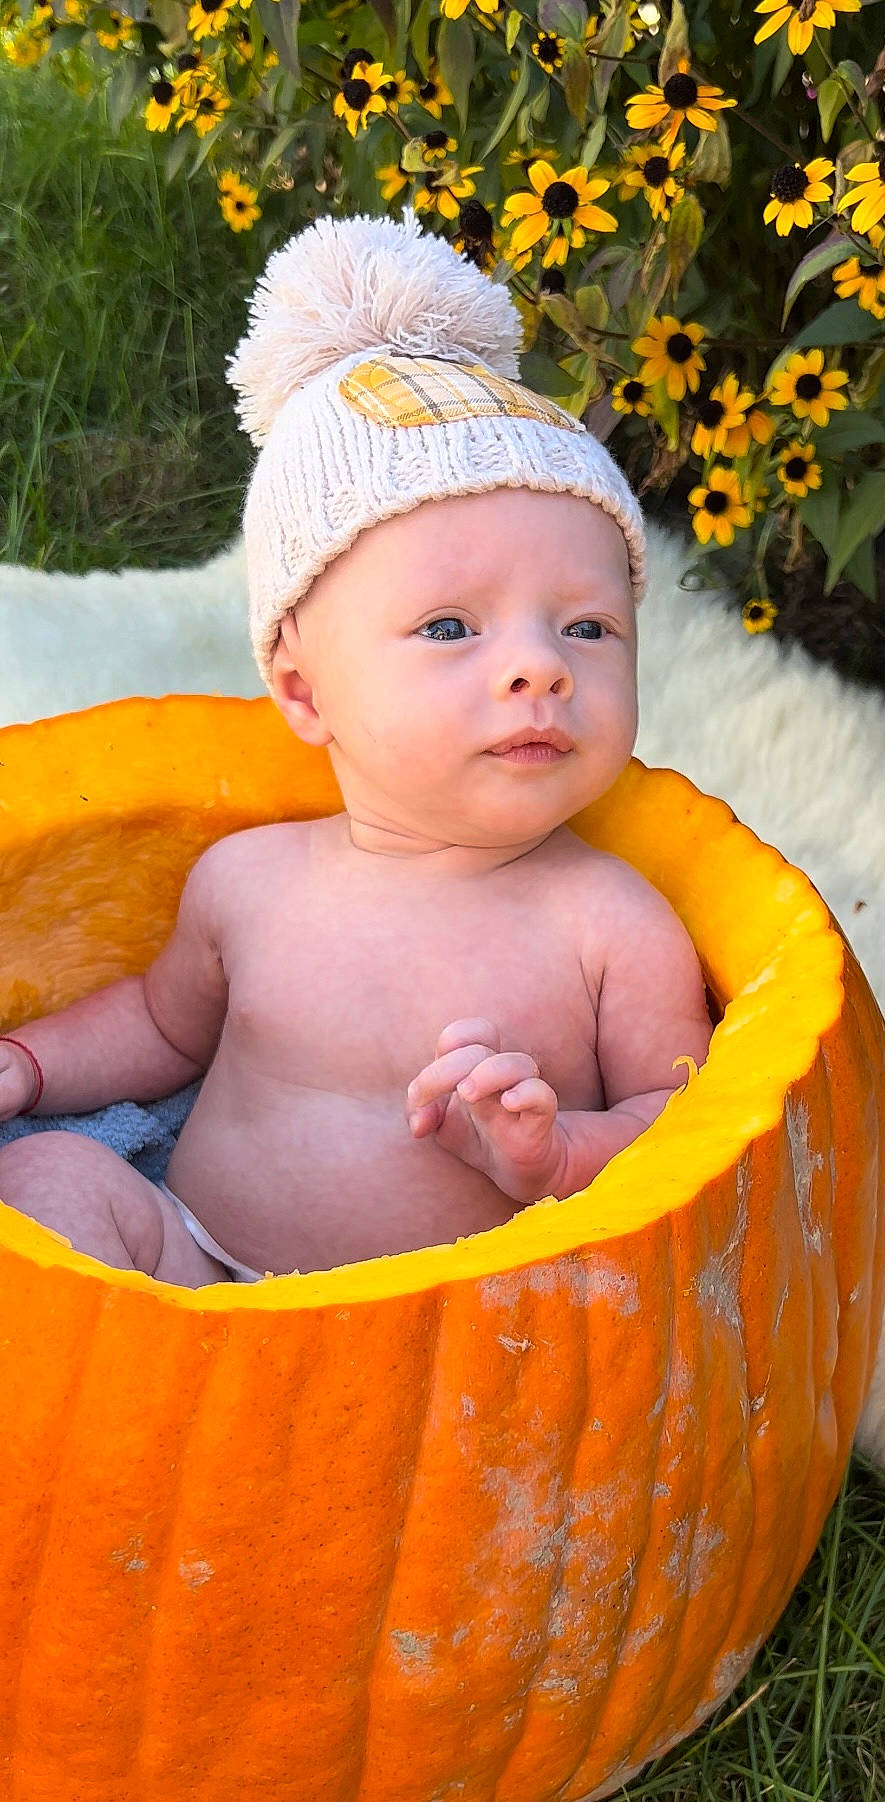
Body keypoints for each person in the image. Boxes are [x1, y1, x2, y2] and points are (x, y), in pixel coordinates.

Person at [0, 211, 713, 1288]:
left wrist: (558, 1153)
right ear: (302, 689)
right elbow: (159, 1025)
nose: (541, 668)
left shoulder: (614, 926)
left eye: (587, 627)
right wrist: (30, 1062)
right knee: (51, 1177)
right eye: (449, 628)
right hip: (194, 1266)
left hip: (447, 1342)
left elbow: (690, 1129)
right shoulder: (250, 881)